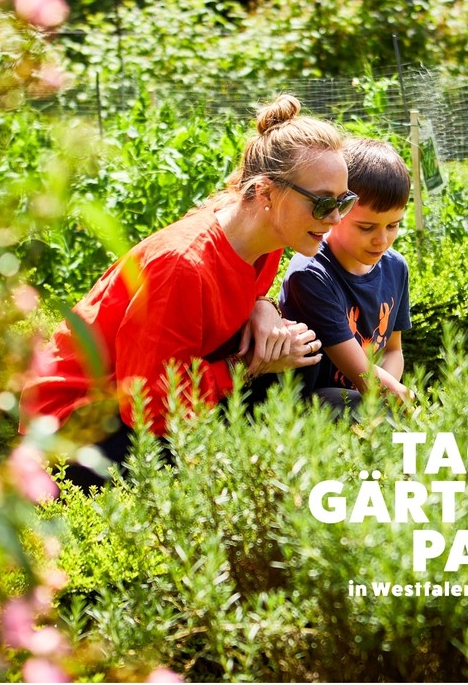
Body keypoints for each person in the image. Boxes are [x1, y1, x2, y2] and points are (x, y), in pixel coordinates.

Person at [20, 94, 359, 489]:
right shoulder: (182, 265)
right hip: (77, 429)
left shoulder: (263, 235)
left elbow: (232, 292)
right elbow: (147, 407)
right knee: (282, 365)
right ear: (266, 193)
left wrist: (262, 306)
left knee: (301, 352)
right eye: (322, 204)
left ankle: (247, 471)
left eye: (343, 202)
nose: (334, 219)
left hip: (144, 393)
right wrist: (247, 365)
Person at [279, 137, 413, 414]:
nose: (382, 240)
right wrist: (391, 399)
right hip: (311, 405)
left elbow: (392, 350)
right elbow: (361, 374)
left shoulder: (396, 267)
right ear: (337, 211)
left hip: (362, 397)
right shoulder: (311, 275)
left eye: (393, 225)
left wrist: (390, 397)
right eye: (366, 227)